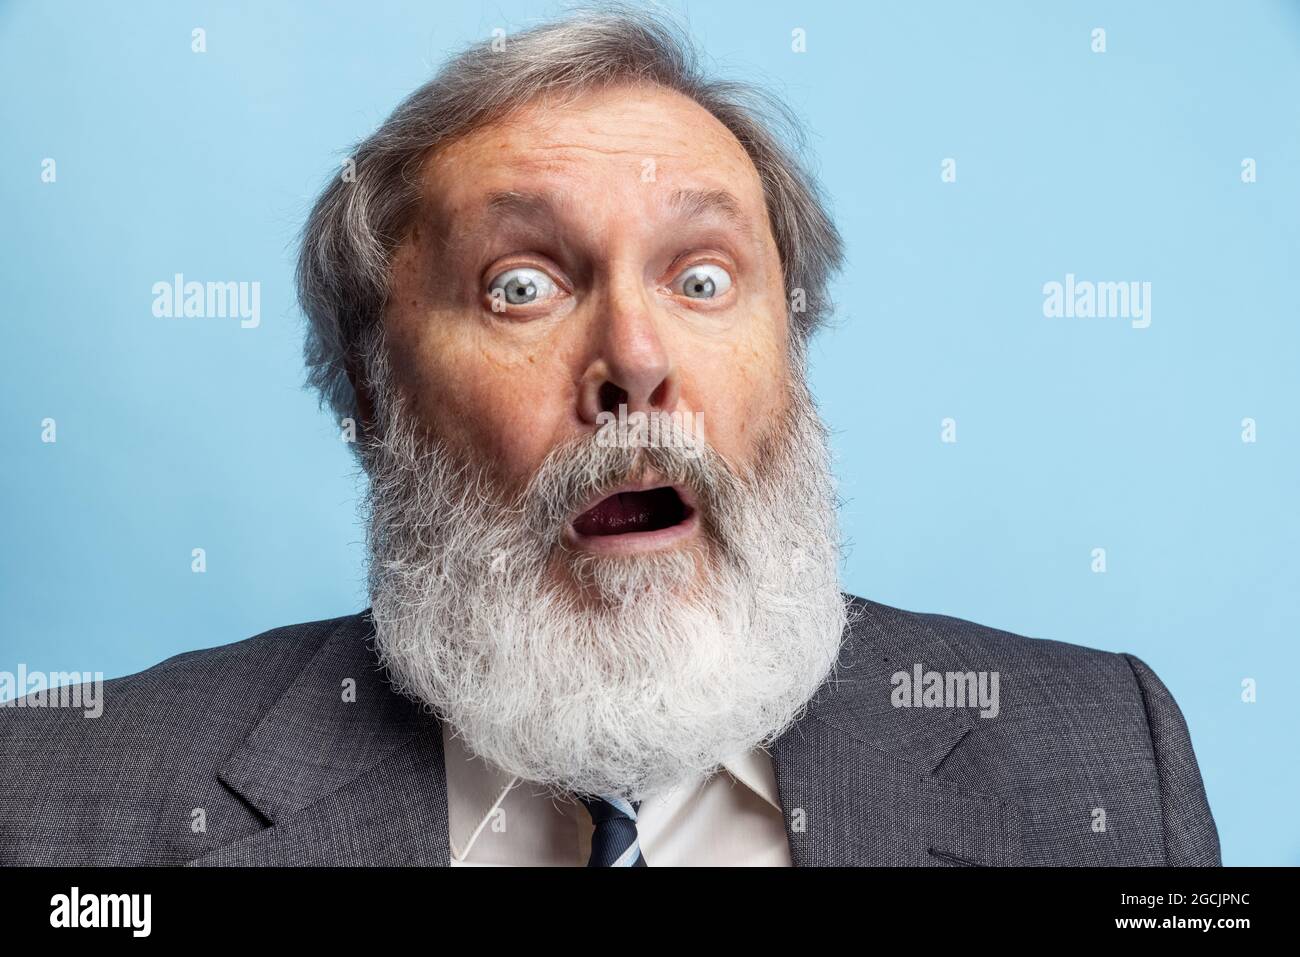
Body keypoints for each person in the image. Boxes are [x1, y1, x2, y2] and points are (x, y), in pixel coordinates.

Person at [0, 7, 1219, 867]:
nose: (636, 360)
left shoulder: (1105, 761)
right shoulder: (59, 802)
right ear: (372, 397)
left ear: (790, 356)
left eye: (700, 279)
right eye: (521, 286)